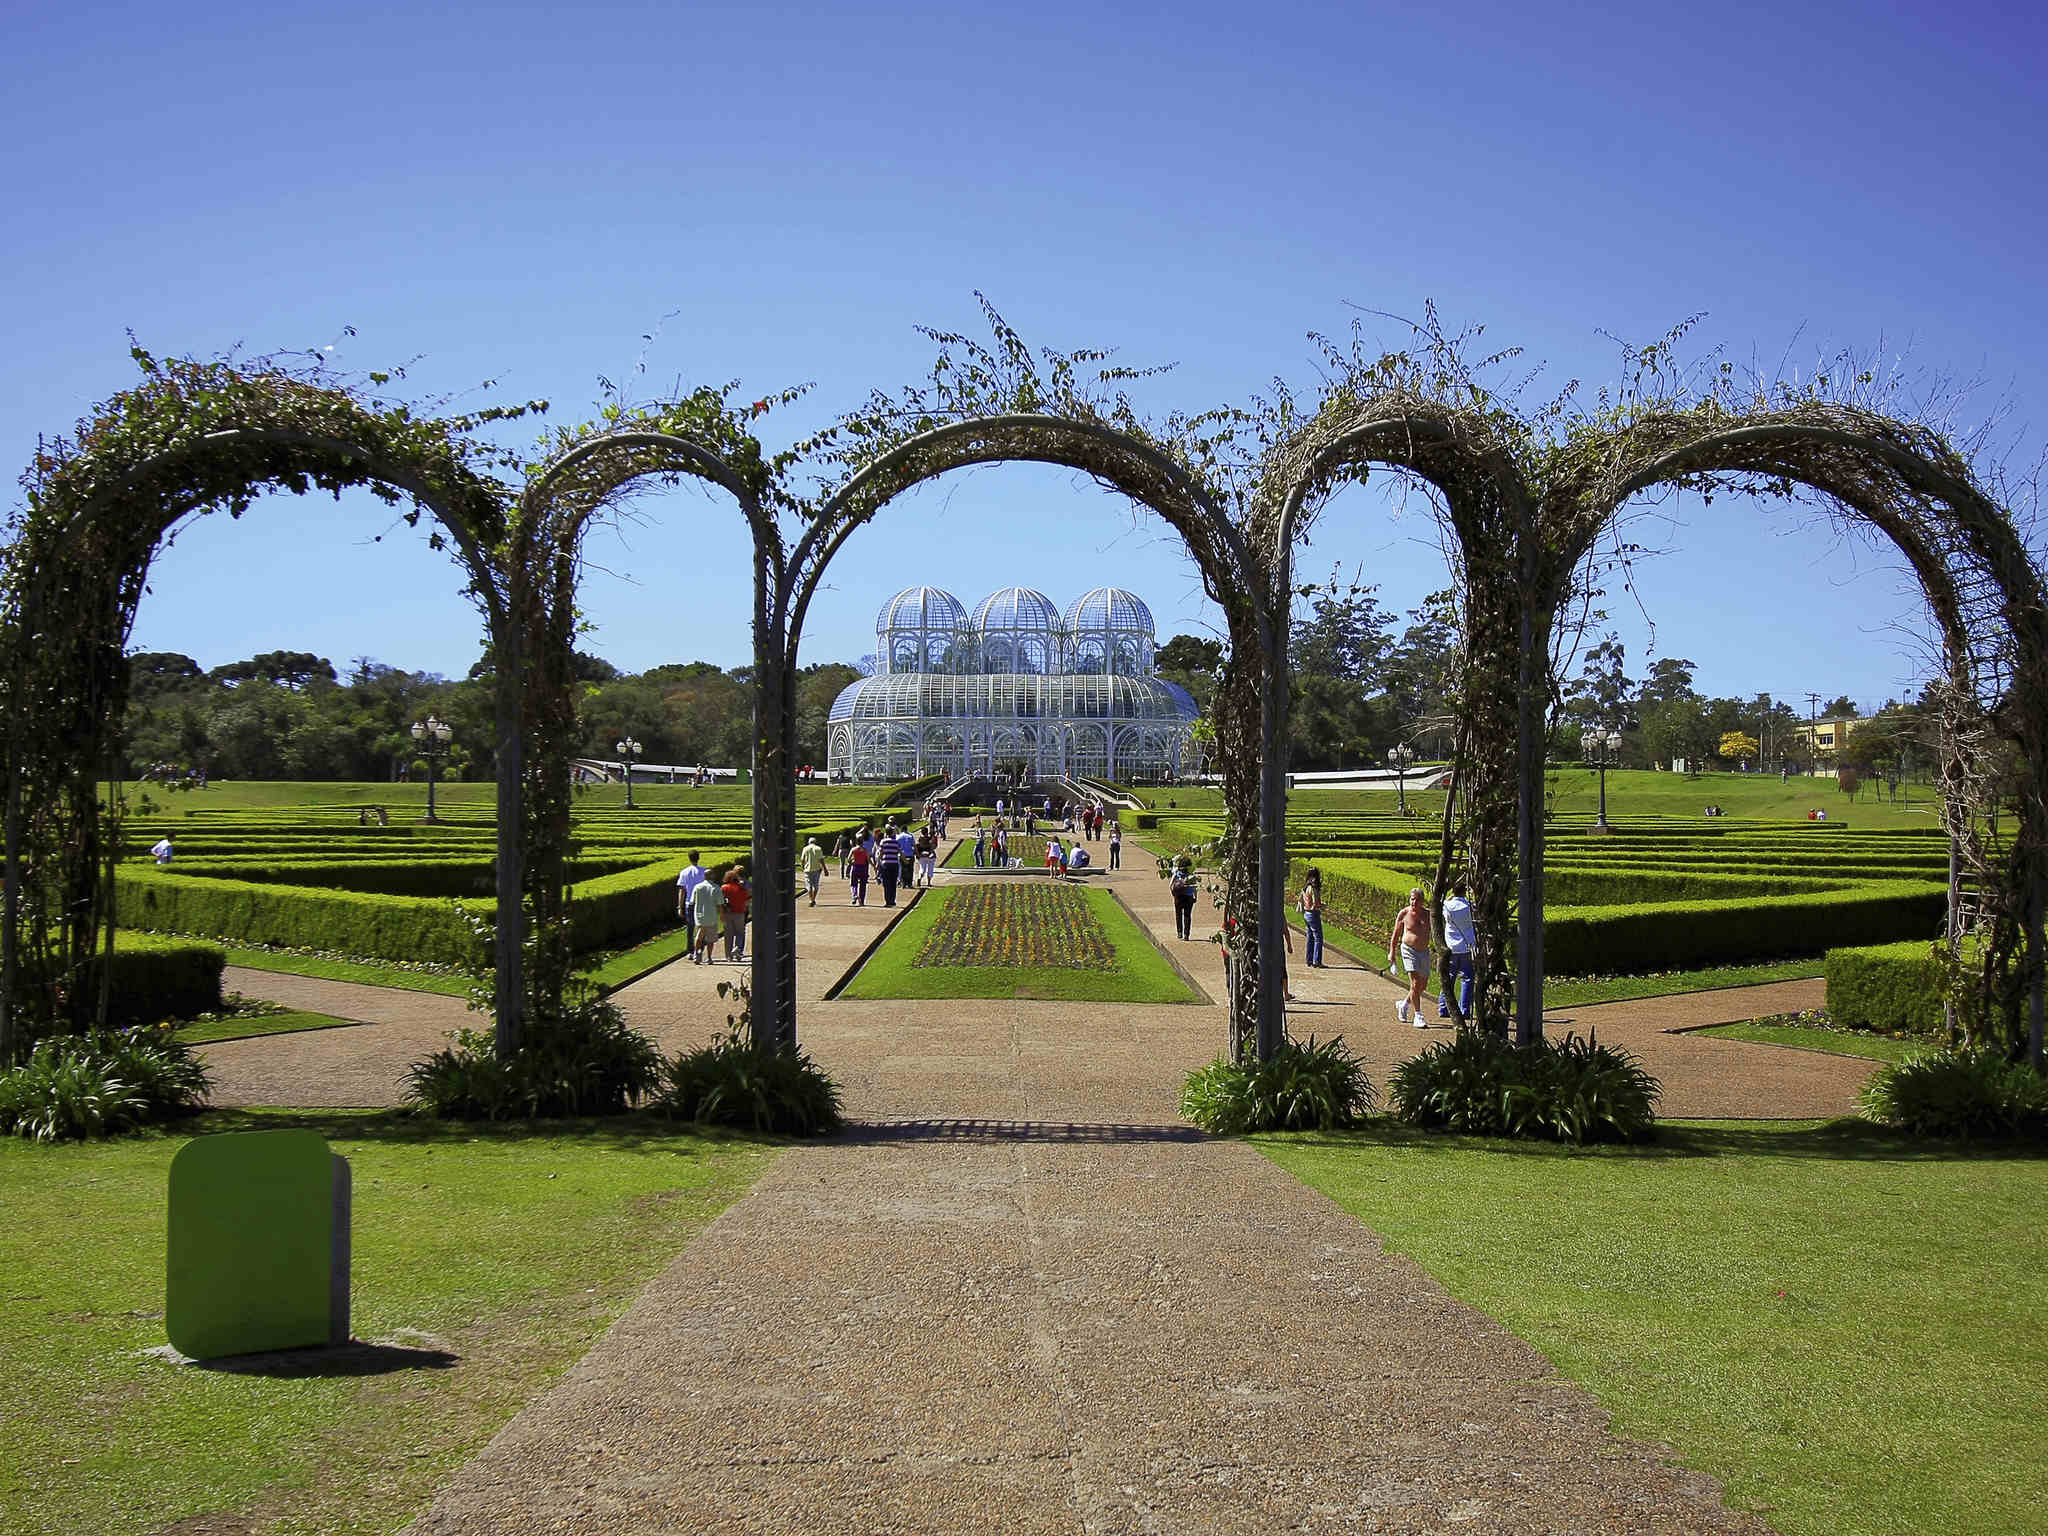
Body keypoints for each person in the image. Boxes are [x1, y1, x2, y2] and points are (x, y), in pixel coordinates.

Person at [1388, 886, 1432, 1027]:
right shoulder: (1404, 913)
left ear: (1422, 901)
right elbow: (1395, 934)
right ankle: (1418, 1016)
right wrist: (1392, 952)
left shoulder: (1428, 915)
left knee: (1422, 986)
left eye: (1417, 900)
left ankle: (1404, 1004)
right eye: (1412, 899)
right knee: (1414, 983)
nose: (1414, 902)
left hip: (1424, 951)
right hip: (1408, 950)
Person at [1438, 879, 1477, 1021]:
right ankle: (1464, 1009)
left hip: (1450, 947)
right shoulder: (1468, 906)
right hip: (1466, 946)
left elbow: (1443, 907)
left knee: (1448, 978)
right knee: (1467, 978)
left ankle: (1443, 1007)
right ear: (1464, 892)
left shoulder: (1447, 905)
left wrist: (1451, 896)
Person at [689, 868, 722, 964]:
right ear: (712, 876)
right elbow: (720, 904)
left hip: (700, 916)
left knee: (699, 936)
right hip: (711, 916)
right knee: (710, 939)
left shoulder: (697, 887)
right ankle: (709, 957)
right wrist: (722, 915)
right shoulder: (716, 888)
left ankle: (696, 954)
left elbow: (692, 901)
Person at [676, 849, 707, 949]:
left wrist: (680, 907)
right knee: (701, 926)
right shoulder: (704, 871)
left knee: (690, 928)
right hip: (702, 903)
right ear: (699, 858)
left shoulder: (684, 872)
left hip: (689, 903)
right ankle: (700, 948)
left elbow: (682, 891)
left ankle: (690, 950)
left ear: (689, 858)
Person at [721, 864, 751, 961]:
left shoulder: (724, 888)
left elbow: (721, 901)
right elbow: (747, 899)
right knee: (740, 933)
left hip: (728, 913)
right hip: (740, 912)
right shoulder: (742, 888)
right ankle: (738, 950)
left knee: (728, 934)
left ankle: (728, 956)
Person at [1299, 868, 1325, 968]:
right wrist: (1322, 905)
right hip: (1313, 914)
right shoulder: (1313, 888)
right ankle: (1316, 961)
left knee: (1310, 937)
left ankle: (1309, 960)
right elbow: (1315, 904)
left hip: (1306, 913)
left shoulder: (1305, 887)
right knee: (1318, 938)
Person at [1170, 857, 1197, 940]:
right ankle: (1186, 935)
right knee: (1187, 915)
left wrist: (1174, 894)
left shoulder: (1176, 874)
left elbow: (1170, 885)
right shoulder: (1192, 876)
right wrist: (1195, 896)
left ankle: (1179, 932)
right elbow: (1195, 887)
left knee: (1178, 915)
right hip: (1189, 896)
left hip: (1178, 896)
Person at [875, 830, 902, 906]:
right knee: (893, 883)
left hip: (885, 864)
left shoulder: (883, 841)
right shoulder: (896, 842)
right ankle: (892, 900)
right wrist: (905, 860)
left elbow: (881, 852)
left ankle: (887, 901)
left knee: (886, 884)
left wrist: (877, 864)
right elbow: (899, 851)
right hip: (894, 864)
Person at [800, 836, 826, 907]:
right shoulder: (818, 848)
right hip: (816, 869)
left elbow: (802, 859)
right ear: (815, 842)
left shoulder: (805, 848)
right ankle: (813, 899)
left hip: (807, 869)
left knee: (809, 886)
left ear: (809, 842)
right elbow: (821, 860)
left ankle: (811, 899)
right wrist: (825, 869)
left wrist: (802, 867)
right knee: (816, 885)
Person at [848, 836, 871, 905]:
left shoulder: (853, 849)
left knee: (853, 883)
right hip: (863, 868)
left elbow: (848, 859)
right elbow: (868, 860)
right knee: (863, 885)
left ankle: (855, 894)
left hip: (855, 867)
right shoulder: (865, 850)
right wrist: (875, 867)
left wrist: (852, 862)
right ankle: (862, 900)